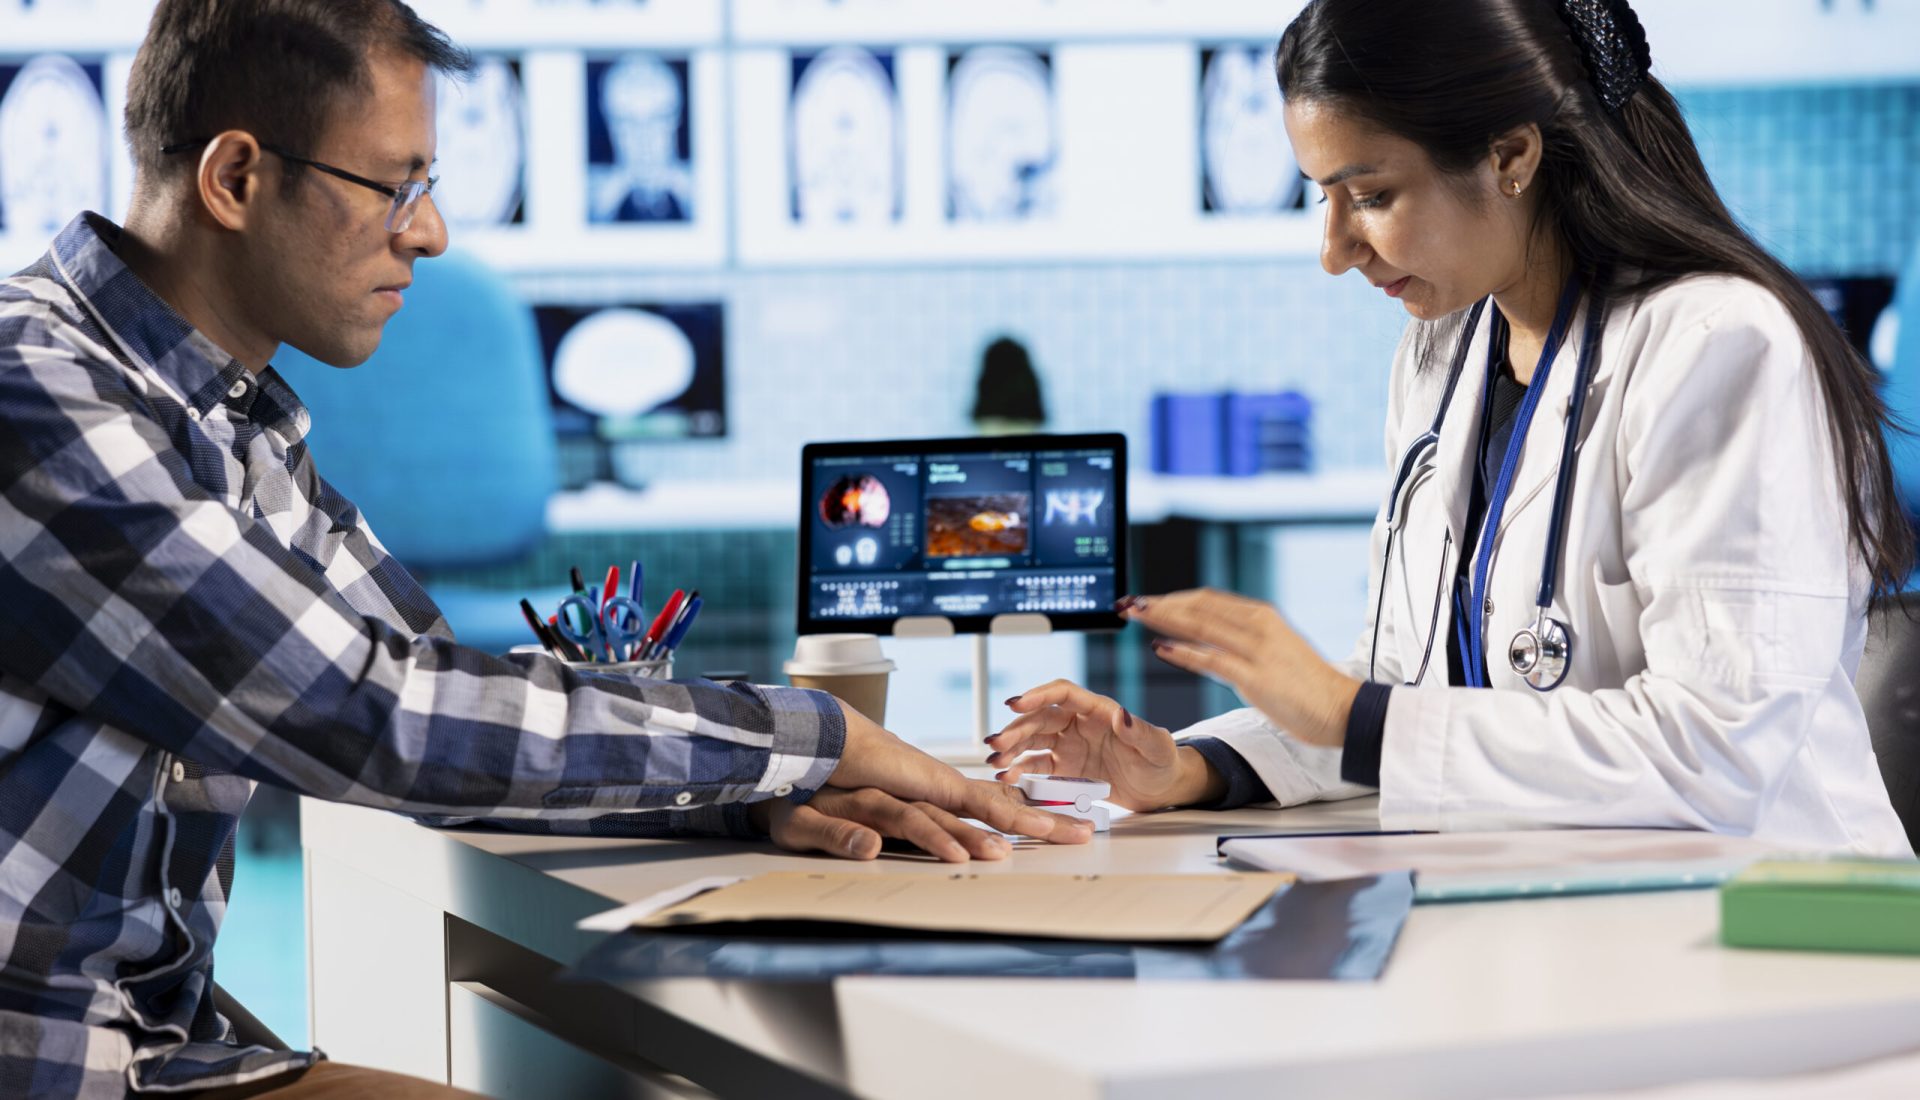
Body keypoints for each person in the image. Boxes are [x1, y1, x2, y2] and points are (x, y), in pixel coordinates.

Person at [0, 3, 1088, 1098]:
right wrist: (814, 732)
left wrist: (746, 797)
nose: (430, 233)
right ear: (234, 178)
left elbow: (436, 682)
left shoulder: (228, 422)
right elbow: (381, 716)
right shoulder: (32, 389)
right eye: (397, 185)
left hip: (155, 1044)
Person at [992, 0, 1915, 858]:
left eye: (1373, 195)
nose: (1335, 249)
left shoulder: (1717, 344)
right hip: (1553, 894)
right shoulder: (1443, 349)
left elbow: (1717, 756)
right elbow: (1404, 680)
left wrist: (1348, 712)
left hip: (1772, 932)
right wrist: (1195, 766)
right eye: (1323, 196)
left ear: (1512, 156)